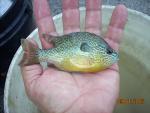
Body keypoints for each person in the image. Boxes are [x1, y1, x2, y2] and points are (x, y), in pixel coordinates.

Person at [20, 0, 128, 113]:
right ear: (99, 51)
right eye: (109, 52)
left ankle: (34, 56)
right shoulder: (97, 58)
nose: (113, 55)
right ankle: (36, 55)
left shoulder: (99, 60)